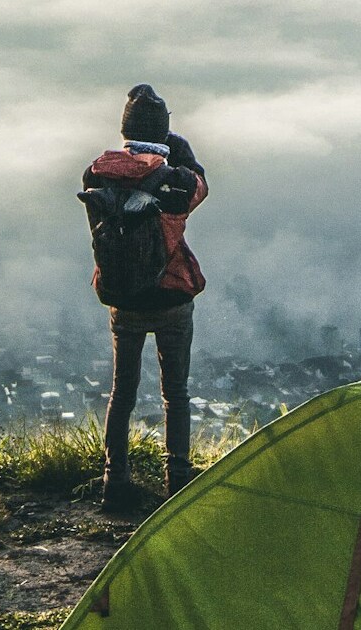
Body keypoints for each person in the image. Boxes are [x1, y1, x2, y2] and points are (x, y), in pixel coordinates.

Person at [80, 84, 209, 510]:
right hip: (172, 300)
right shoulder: (177, 179)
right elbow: (199, 187)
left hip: (123, 300)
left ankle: (114, 479)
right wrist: (179, 153)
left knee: (123, 392)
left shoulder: (96, 175)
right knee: (175, 392)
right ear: (165, 133)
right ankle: (179, 478)